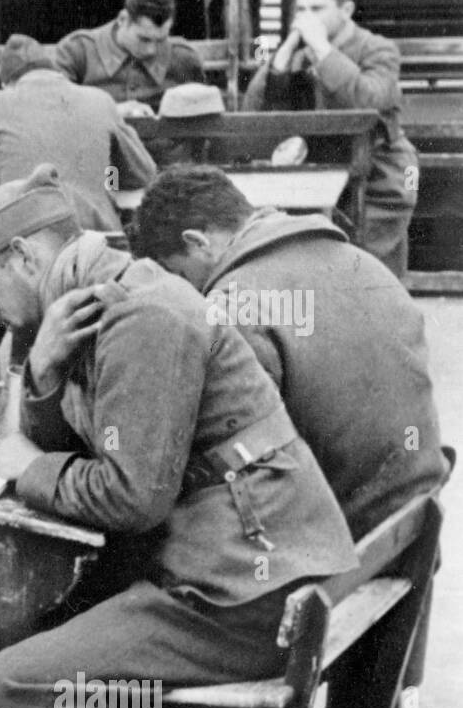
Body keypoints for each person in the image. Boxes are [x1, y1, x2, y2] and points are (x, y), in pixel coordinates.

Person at [0, 166, 357, 708]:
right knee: (43, 632)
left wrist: (29, 469)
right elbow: (74, 446)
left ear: (24, 259)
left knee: (10, 688)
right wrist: (39, 369)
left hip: (245, 592)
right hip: (241, 566)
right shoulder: (99, 304)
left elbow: (131, 495)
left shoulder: (144, 315)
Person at [132, 164, 450, 542]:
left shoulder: (233, 305)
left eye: (181, 276)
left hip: (338, 547)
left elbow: (215, 463)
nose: (189, 293)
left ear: (197, 242)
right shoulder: (367, 265)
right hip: (408, 527)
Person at [243, 0, 418, 278]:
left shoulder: (378, 49)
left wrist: (324, 51)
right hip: (317, 172)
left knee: (368, 274)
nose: (305, 18)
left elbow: (369, 101)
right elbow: (253, 111)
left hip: (379, 172)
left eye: (316, 8)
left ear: (346, 9)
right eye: (300, 9)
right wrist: (280, 63)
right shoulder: (297, 50)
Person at [0, 34, 156, 231]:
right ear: (54, 71)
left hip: (26, 235)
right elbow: (144, 173)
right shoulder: (101, 100)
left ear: (7, 83)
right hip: (96, 235)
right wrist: (106, 176)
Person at [53, 0, 205, 119]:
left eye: (160, 40)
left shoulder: (185, 59)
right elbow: (54, 109)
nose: (150, 50)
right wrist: (112, 112)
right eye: (143, 39)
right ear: (122, 19)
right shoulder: (77, 52)